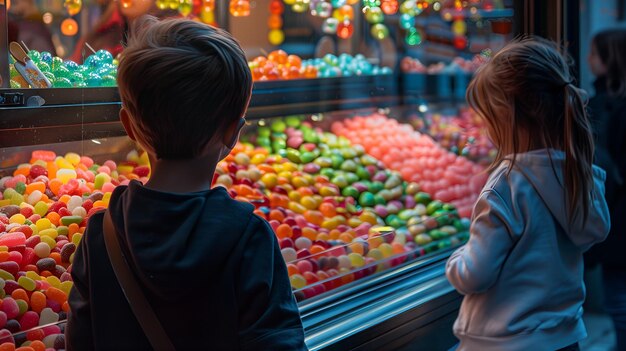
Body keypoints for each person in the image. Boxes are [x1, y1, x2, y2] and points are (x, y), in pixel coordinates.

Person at [66, 17, 307, 350]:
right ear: (233, 133)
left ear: (130, 127)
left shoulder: (100, 235)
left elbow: (80, 342)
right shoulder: (250, 238)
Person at [445, 38, 611, 351]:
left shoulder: (506, 186)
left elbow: (475, 274)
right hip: (564, 338)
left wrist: (456, 259)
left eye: (488, 118)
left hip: (505, 342)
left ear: (506, 119)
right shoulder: (580, 175)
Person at [585, 28, 626, 351]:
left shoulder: (604, 107)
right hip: (617, 214)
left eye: (594, 53)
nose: (588, 60)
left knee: (618, 298)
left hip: (618, 216)